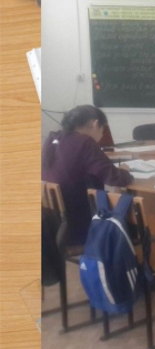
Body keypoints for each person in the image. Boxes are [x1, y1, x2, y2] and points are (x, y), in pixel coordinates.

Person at [41, 105, 133, 247]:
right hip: (80, 224)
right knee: (129, 214)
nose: (102, 134)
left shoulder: (53, 138)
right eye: (102, 129)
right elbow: (116, 178)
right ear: (95, 124)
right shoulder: (84, 142)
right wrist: (125, 170)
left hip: (53, 224)